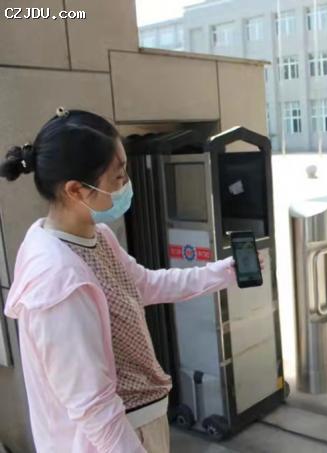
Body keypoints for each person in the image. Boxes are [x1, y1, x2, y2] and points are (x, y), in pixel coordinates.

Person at [0, 108, 259, 453]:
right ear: (76, 190)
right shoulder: (57, 281)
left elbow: (143, 285)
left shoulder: (97, 236)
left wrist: (224, 272)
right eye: (118, 177)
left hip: (141, 422)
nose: (126, 186)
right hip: (119, 437)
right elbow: (94, 408)